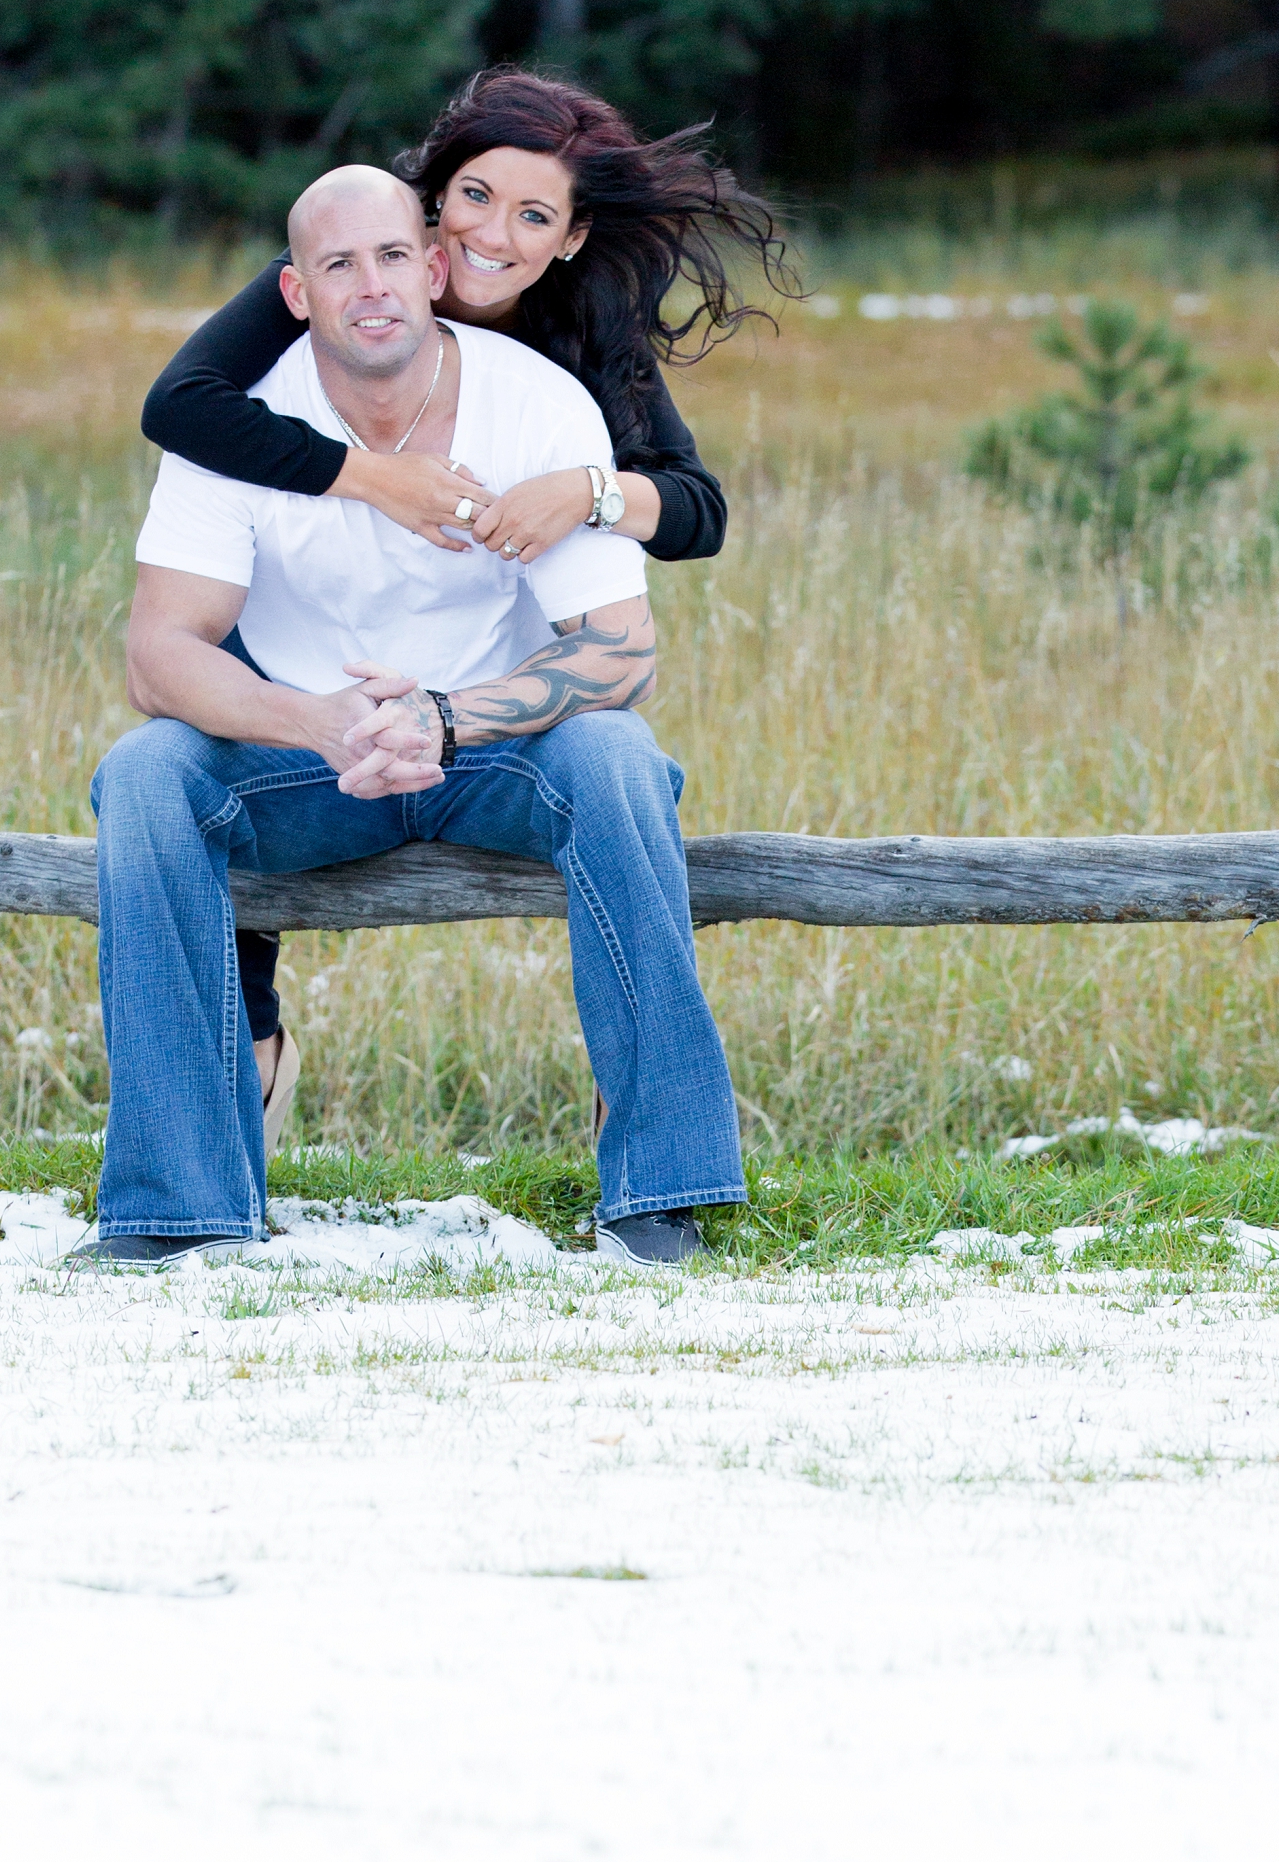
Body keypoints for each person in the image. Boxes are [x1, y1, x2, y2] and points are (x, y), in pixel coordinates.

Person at [74, 161, 746, 1274]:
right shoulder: (240, 424)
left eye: (392, 256)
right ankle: (178, 1208)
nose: (371, 285)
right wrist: (320, 721)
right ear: (296, 293)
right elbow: (159, 654)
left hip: (486, 751)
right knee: (145, 772)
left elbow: (622, 650)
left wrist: (446, 719)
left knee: (619, 755)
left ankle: (659, 1193)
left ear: (433, 268)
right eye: (338, 265)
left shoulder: (533, 401)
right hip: (308, 763)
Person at [140, 66, 794, 1149]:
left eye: (535, 214)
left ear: (572, 238)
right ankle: (243, 1040)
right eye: (476, 197)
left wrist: (584, 492)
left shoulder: (578, 339)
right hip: (319, 652)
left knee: (615, 762)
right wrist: (373, 477)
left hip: (487, 667)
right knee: (215, 707)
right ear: (431, 206)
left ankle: (645, 1128)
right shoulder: (356, 262)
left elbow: (695, 510)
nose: (496, 235)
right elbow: (182, 406)